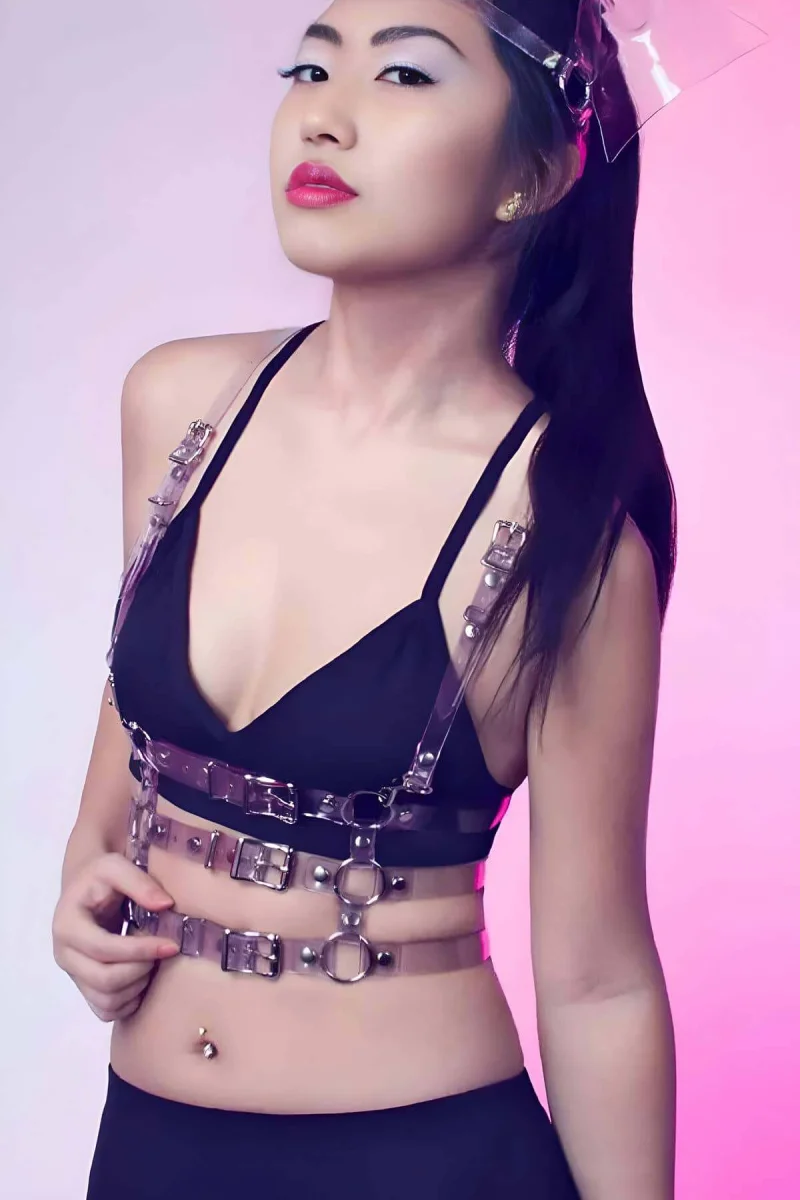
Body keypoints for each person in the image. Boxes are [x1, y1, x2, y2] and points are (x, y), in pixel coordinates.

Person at [52, 2, 684, 1196]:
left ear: (536, 173)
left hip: (422, 1158)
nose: (322, 117)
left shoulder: (567, 537)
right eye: (309, 67)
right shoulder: (179, 404)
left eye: (401, 76)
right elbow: (125, 785)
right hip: (149, 1146)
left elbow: (598, 980)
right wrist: (83, 900)